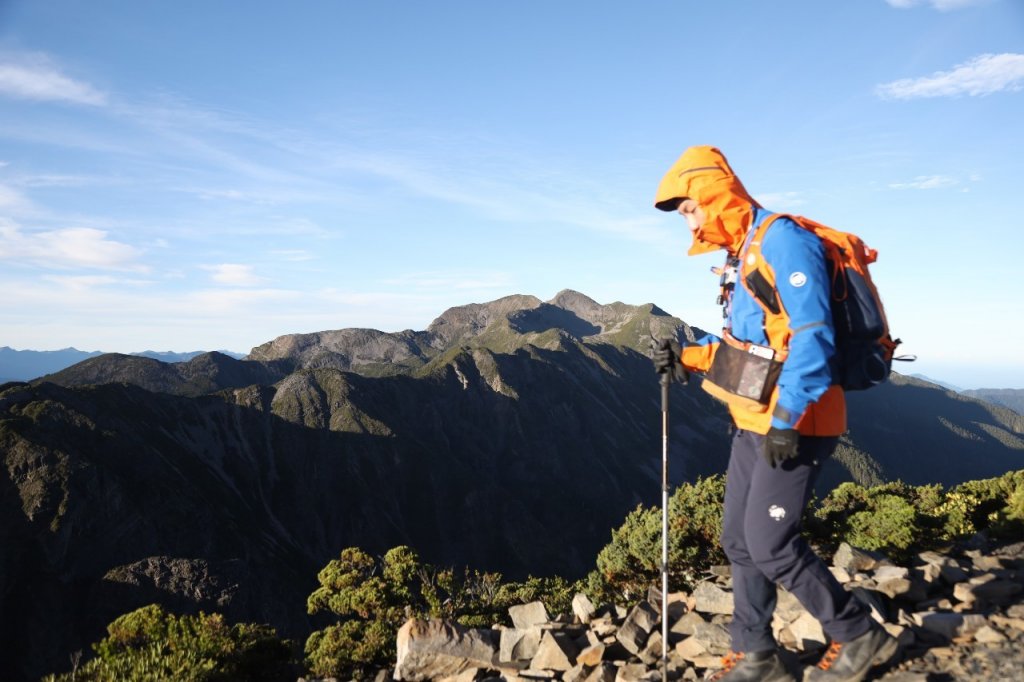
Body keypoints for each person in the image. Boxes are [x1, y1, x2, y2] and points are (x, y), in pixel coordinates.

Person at [651, 146, 898, 682]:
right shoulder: (743, 252)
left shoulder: (781, 240)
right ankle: (757, 653)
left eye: (689, 208)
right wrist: (689, 358)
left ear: (712, 193)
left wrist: (786, 418)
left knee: (771, 544)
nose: (688, 222)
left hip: (797, 419)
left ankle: (860, 633)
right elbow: (754, 349)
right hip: (754, 417)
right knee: (739, 541)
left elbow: (815, 340)